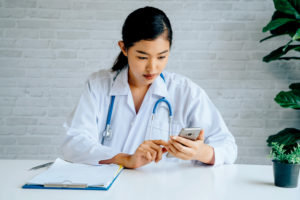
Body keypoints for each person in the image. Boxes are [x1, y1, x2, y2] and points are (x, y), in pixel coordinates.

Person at [61, 6, 237, 169]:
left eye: (161, 57)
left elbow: (228, 147)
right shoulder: (98, 85)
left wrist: (201, 152)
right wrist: (125, 159)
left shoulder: (186, 92)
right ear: (124, 48)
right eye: (142, 57)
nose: (152, 68)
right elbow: (73, 143)